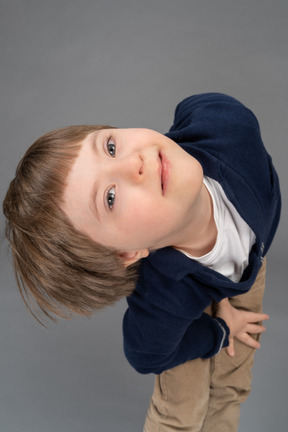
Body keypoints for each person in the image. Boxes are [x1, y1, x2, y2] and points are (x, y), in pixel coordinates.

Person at [3, 93, 281, 431]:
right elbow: (148, 355)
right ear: (127, 254)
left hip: (244, 262)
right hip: (186, 291)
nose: (133, 162)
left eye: (109, 147)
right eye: (109, 197)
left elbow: (198, 104)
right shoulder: (162, 300)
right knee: (182, 411)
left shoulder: (227, 129)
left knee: (232, 386)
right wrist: (219, 331)